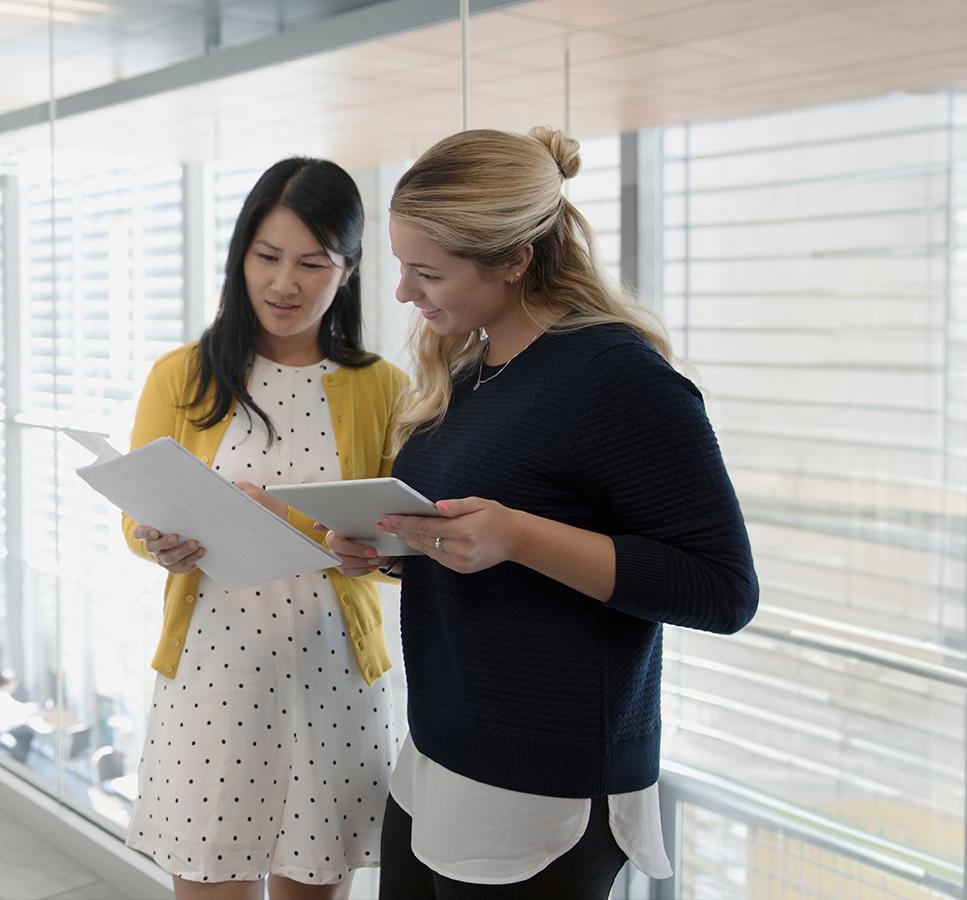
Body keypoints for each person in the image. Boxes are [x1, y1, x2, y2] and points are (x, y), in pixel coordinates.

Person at [321, 127, 759, 899]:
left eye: (428, 272)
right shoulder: (472, 367)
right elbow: (480, 535)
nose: (404, 293)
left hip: (542, 783)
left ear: (516, 260)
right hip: (439, 751)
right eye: (402, 267)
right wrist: (392, 546)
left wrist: (519, 536)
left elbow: (722, 590)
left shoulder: (618, 379)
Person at [121, 157, 410, 900]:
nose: (285, 283)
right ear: (240, 256)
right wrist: (160, 541)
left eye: (313, 263)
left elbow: (399, 546)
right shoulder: (182, 376)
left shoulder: (383, 388)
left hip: (332, 682)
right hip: (211, 679)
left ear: (346, 271)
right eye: (268, 257)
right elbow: (138, 518)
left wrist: (293, 519)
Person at [0, 670, 38, 765]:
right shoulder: (2, 698)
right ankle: (19, 762)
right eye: (13, 683)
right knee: (27, 733)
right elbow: (15, 715)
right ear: (7, 684)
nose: (15, 685)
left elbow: (15, 707)